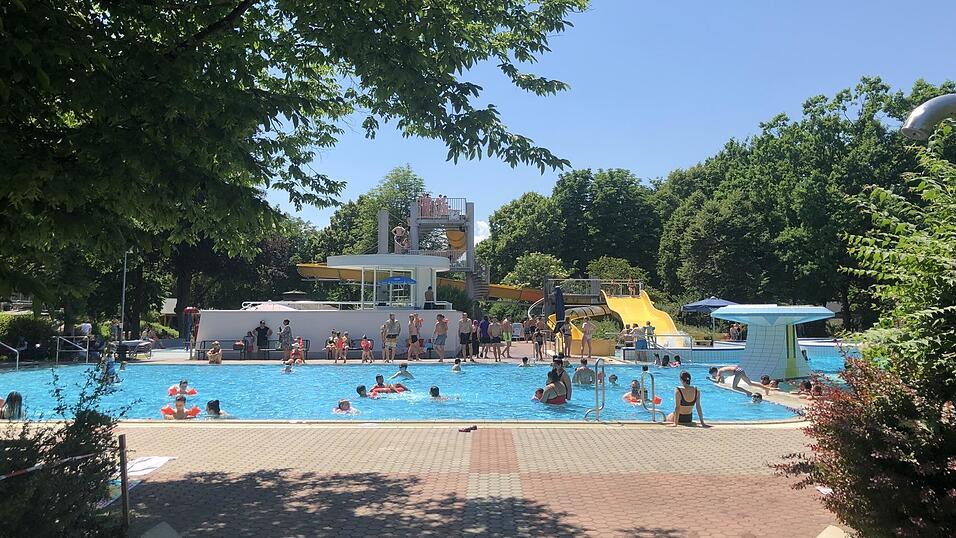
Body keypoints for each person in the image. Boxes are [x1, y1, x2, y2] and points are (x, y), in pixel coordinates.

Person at [708, 366, 775, 395]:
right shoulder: (721, 371)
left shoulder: (719, 372)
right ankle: (766, 388)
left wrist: (709, 379)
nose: (713, 375)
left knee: (734, 387)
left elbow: (717, 382)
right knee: (750, 383)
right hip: (740, 370)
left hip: (738, 372)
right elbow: (722, 382)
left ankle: (748, 392)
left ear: (714, 372)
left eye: (712, 374)